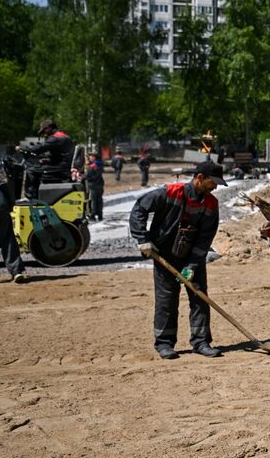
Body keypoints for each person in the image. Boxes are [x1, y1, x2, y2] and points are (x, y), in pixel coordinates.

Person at [129, 160, 227, 359]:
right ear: (200, 178)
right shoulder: (170, 192)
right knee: (166, 301)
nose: (215, 186)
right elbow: (139, 208)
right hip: (164, 255)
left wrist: (192, 265)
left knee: (199, 298)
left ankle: (201, 342)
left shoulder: (210, 203)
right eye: (212, 182)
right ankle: (164, 343)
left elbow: (205, 238)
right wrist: (143, 238)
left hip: (193, 257)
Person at [19, 118, 75, 200]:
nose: (44, 134)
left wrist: (22, 148)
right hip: (62, 166)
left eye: (44, 131)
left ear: (49, 128)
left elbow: (39, 148)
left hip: (59, 168)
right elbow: (62, 155)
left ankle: (30, 198)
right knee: (39, 166)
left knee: (31, 171)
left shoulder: (55, 138)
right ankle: (38, 196)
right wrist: (48, 160)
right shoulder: (65, 136)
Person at [84, 151, 106, 221]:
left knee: (93, 201)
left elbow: (88, 175)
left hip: (93, 185)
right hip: (100, 185)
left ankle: (92, 215)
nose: (89, 158)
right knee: (99, 200)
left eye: (91, 156)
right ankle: (100, 215)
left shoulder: (92, 166)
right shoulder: (100, 164)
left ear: (94, 157)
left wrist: (82, 177)